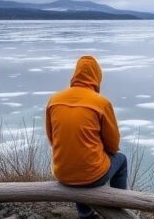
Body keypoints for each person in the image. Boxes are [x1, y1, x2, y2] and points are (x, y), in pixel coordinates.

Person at [45, 56, 127, 218]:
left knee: (77, 155)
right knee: (121, 159)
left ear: (75, 75)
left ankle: (85, 213)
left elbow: (52, 139)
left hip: (62, 173)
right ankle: (119, 207)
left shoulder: (54, 100)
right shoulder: (101, 103)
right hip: (92, 176)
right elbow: (113, 145)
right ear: (97, 77)